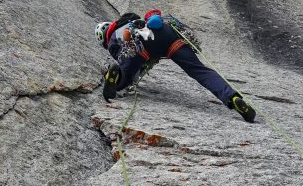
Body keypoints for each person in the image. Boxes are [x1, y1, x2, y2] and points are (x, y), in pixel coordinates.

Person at [95, 9, 256, 123]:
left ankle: (113, 77)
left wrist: (126, 74)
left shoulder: (114, 38)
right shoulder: (133, 19)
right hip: (167, 34)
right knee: (201, 72)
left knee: (123, 78)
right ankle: (233, 97)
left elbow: (127, 61)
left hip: (139, 45)